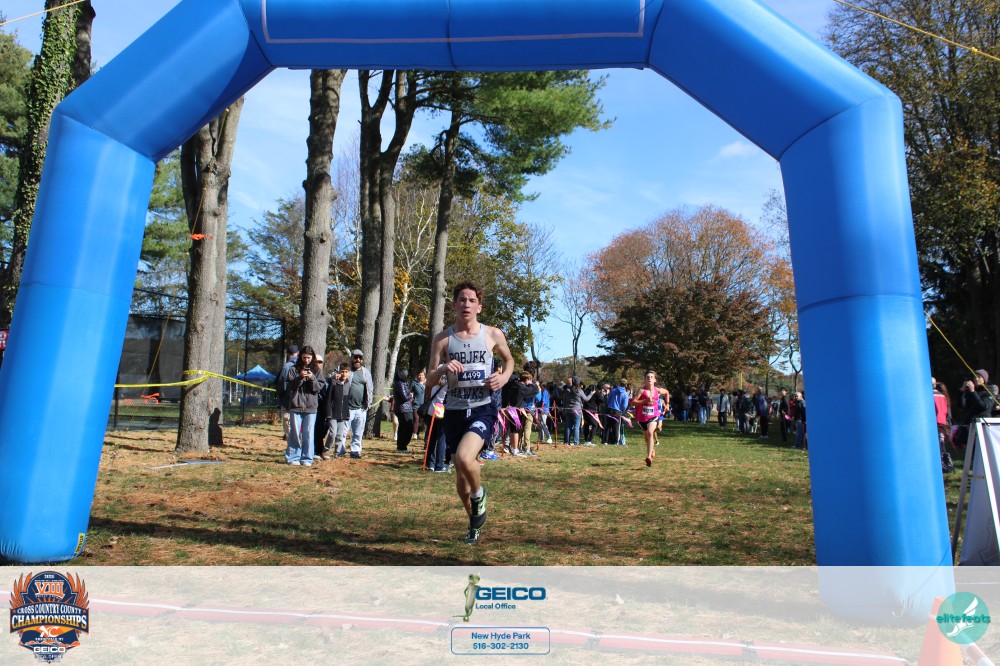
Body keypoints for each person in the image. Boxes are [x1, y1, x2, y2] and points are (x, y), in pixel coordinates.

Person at [425, 282, 514, 545]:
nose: (466, 304)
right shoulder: (443, 339)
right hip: (454, 410)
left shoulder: (493, 334)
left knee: (465, 457)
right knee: (460, 480)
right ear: (454, 304)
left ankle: (479, 494)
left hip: (482, 408)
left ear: (479, 307)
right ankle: (474, 522)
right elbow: (429, 379)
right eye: (462, 300)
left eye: (471, 300)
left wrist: (503, 378)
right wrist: (443, 369)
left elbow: (509, 360)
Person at [285, 345, 321, 466]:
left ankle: (307, 458)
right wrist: (300, 377)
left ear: (312, 357)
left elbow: (318, 388)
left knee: (308, 434)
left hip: (311, 407)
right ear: (300, 356)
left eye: (309, 358)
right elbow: (290, 386)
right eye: (304, 357)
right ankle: (293, 457)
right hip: (296, 406)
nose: (306, 360)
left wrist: (312, 378)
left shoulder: (317, 370)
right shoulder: (293, 369)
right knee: (294, 433)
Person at [633, 370, 670, 467]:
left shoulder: (657, 390)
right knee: (646, 436)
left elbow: (666, 392)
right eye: (647, 377)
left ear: (655, 380)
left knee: (650, 432)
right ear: (645, 380)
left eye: (651, 377)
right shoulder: (641, 390)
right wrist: (644, 401)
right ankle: (652, 449)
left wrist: (667, 404)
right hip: (642, 417)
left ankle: (649, 457)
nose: (649, 378)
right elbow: (633, 402)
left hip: (654, 416)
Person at [346, 349, 374, 459]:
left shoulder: (366, 373)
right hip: (347, 407)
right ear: (351, 358)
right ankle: (340, 451)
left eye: (360, 358)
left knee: (358, 432)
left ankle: (355, 451)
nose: (357, 360)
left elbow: (370, 389)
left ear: (362, 360)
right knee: (343, 432)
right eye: (355, 357)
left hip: (361, 408)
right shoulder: (346, 371)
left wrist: (368, 403)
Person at [321, 362, 352, 458]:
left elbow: (347, 400)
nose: (344, 374)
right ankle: (326, 450)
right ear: (339, 372)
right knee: (333, 433)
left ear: (349, 373)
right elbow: (328, 399)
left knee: (340, 435)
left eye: (346, 372)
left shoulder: (348, 384)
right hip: (333, 413)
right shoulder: (334, 383)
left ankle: (337, 453)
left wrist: (347, 414)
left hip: (343, 414)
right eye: (342, 371)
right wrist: (328, 413)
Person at [277, 345, 298, 440]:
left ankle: (290, 441)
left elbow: (281, 382)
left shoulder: (286, 366)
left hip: (287, 399)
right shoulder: (302, 366)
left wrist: (280, 395)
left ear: (288, 354)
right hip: (299, 400)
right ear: (298, 353)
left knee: (287, 419)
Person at [933, 381, 954, 473]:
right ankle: (946, 465)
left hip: (936, 423)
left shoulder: (933, 396)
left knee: (938, 446)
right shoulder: (943, 397)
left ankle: (943, 465)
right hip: (943, 423)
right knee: (941, 445)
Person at [393, 367, 415, 452]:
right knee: (407, 427)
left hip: (402, 408)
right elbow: (405, 397)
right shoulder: (400, 383)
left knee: (403, 427)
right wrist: (411, 396)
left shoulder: (399, 383)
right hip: (404, 409)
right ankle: (402, 446)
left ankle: (401, 446)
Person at [604, 378, 629, 445]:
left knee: (608, 425)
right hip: (617, 410)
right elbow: (625, 405)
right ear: (626, 385)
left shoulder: (613, 390)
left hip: (610, 409)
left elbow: (608, 399)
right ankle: (615, 441)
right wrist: (622, 410)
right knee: (616, 426)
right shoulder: (625, 394)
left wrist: (609, 405)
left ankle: (605, 440)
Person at [411, 371, 427, 439]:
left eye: (422, 375)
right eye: (419, 375)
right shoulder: (414, 383)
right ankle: (414, 433)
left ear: (424, 376)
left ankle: (417, 433)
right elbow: (410, 391)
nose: (420, 376)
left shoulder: (427, 384)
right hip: (416, 404)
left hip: (423, 405)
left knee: (421, 420)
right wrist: (411, 397)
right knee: (416, 419)